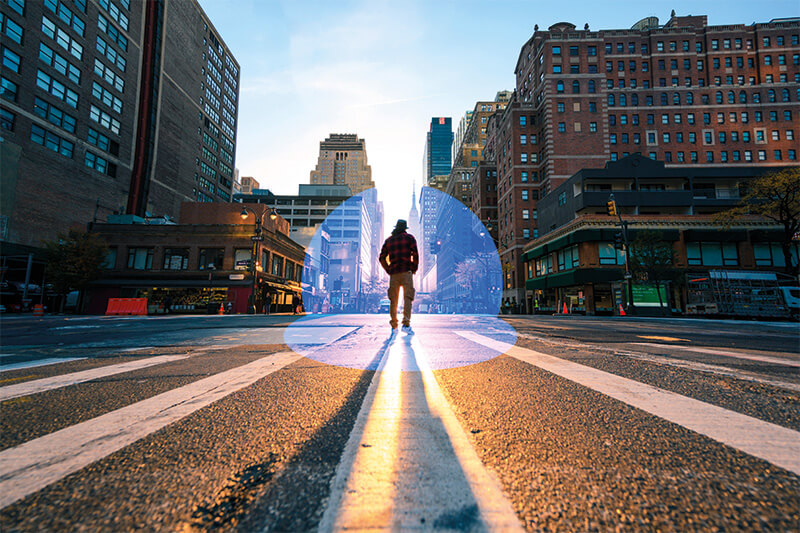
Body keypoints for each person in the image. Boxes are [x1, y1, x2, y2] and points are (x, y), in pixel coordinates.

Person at [379, 219, 419, 334]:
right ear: (405, 228)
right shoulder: (410, 238)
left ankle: (394, 325)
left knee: (393, 299)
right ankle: (406, 324)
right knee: (408, 298)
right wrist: (413, 268)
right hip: (406, 272)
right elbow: (415, 255)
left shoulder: (389, 241)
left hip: (394, 273)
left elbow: (382, 257)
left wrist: (388, 269)